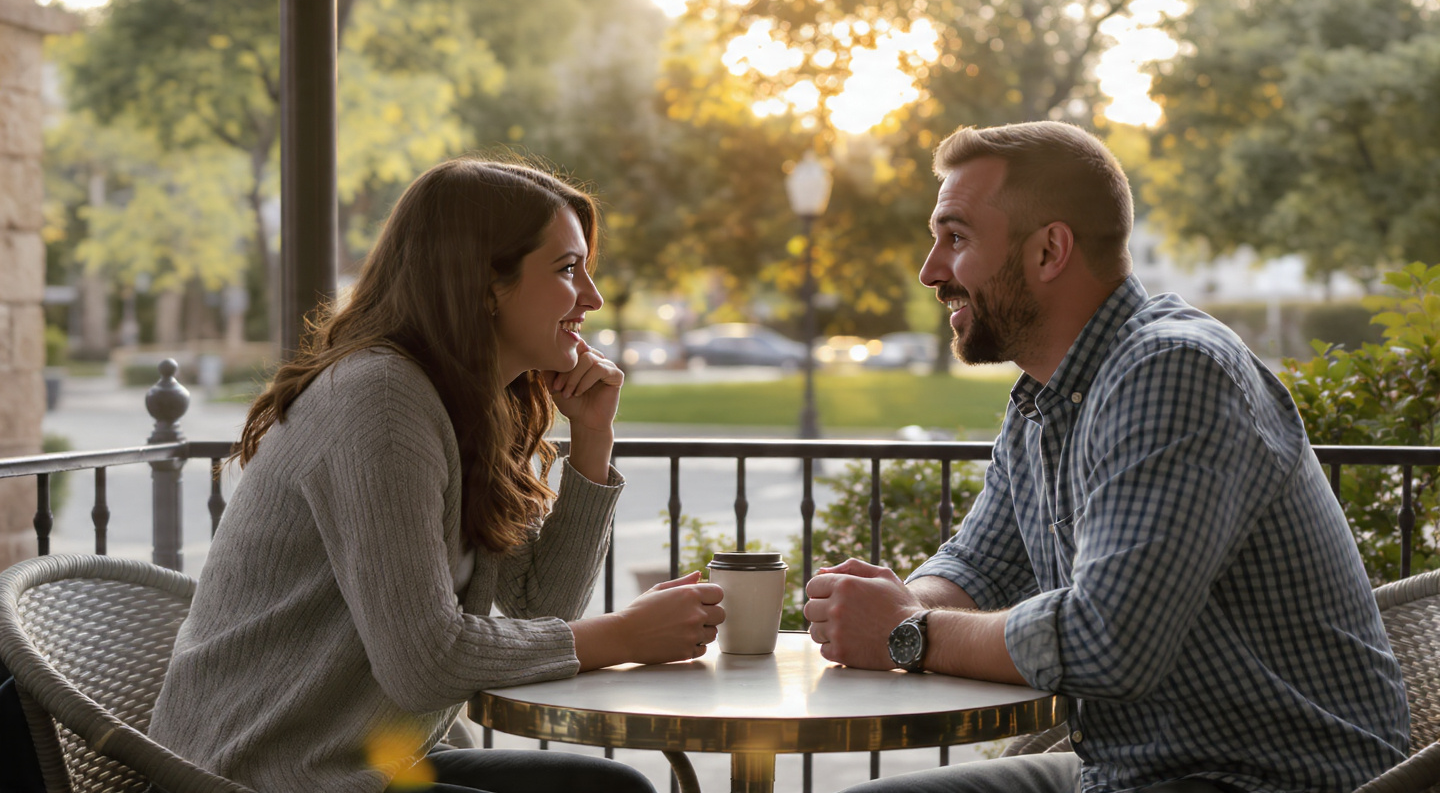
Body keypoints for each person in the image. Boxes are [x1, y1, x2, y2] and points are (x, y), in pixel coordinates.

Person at [802, 122, 1410, 793]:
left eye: (957, 238)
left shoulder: (1173, 370)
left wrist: (906, 632)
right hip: (1127, 770)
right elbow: (980, 564)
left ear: (1049, 251)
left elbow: (1109, 641)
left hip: (1263, 777)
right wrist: (893, 605)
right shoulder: (1044, 398)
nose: (931, 272)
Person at [149, 158, 725, 793]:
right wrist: (624, 635)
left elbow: (543, 606)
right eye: (567, 269)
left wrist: (592, 438)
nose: (592, 297)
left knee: (614, 789)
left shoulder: (466, 405)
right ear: (484, 284)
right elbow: (424, 664)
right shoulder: (381, 400)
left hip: (368, 763)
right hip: (257, 777)